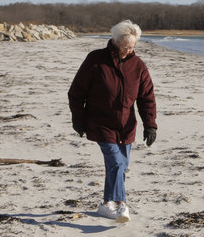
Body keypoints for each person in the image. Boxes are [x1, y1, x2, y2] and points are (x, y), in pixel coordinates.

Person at [67, 20, 157, 223]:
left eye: (132, 47)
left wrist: (150, 124)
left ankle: (107, 204)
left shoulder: (138, 66)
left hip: (126, 126)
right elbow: (76, 92)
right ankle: (120, 204)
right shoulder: (95, 60)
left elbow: (147, 98)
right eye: (125, 46)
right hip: (101, 122)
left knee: (119, 166)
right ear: (115, 41)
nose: (128, 50)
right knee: (116, 162)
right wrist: (78, 119)